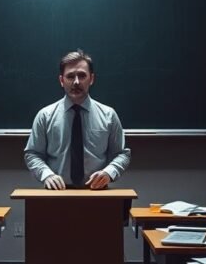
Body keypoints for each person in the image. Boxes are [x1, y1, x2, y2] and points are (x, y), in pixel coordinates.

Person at [24, 49, 131, 190]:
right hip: (57, 193)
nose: (76, 82)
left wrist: (108, 173)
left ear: (91, 79)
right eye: (70, 76)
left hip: (97, 193)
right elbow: (33, 154)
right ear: (61, 81)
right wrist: (47, 175)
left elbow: (122, 154)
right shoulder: (45, 116)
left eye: (82, 75)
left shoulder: (108, 115)